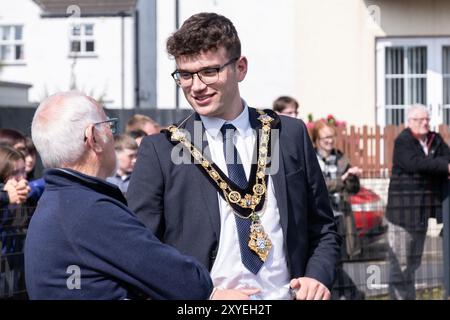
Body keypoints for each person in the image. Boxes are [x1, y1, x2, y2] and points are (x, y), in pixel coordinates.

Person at [127, 12, 341, 300]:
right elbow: (141, 252)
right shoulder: (161, 150)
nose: (196, 86)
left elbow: (323, 227)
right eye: (186, 75)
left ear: (240, 68)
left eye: (209, 71)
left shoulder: (289, 134)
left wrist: (317, 277)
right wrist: (206, 294)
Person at [25, 91, 213, 300]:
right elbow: (188, 283)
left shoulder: (60, 201)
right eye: (109, 125)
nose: (113, 136)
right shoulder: (89, 210)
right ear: (93, 137)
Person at [386, 104, 450, 300]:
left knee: (413, 265)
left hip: (422, 214)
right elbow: (416, 164)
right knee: (400, 267)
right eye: (419, 120)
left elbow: (446, 157)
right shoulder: (403, 141)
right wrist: (444, 166)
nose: (425, 123)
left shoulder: (435, 139)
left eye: (427, 119)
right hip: (402, 215)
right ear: (410, 122)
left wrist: (441, 164)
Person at [311, 120, 365, 300]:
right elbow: (317, 187)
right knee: (328, 262)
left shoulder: (341, 158)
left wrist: (353, 178)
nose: (330, 141)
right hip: (319, 217)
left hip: (340, 217)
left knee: (339, 261)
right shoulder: (311, 157)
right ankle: (350, 294)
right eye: (325, 137)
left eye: (332, 136)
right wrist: (341, 180)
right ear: (317, 139)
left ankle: (342, 294)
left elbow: (353, 190)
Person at [0, 145, 29, 297]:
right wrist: (5, 196)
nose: (22, 178)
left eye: (23, 170)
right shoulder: (5, 194)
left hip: (17, 272)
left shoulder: (25, 193)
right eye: (14, 173)